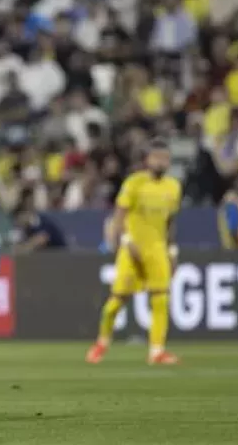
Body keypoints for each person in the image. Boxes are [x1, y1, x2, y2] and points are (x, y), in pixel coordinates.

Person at [86, 138, 181, 365]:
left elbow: (170, 222)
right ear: (147, 159)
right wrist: (126, 240)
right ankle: (102, 342)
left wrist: (172, 250)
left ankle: (156, 351)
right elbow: (119, 215)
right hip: (133, 248)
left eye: (165, 158)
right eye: (157, 157)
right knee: (116, 302)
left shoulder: (173, 186)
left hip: (158, 249)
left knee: (160, 300)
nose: (161, 162)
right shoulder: (134, 183)